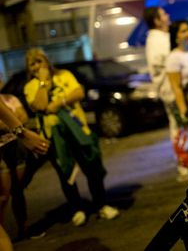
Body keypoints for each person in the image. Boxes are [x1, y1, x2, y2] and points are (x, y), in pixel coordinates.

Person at [23, 48, 119, 227]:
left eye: (39, 61)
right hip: (54, 137)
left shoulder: (64, 75)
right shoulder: (30, 87)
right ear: (29, 69)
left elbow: (78, 92)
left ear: (47, 61)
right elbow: (40, 105)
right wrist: (44, 82)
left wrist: (59, 102)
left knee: (92, 168)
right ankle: (77, 209)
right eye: (32, 64)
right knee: (66, 173)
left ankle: (101, 205)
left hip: (78, 131)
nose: (37, 66)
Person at [143, 6, 188, 181]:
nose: (167, 16)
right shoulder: (156, 39)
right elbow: (161, 60)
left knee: (180, 126)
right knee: (180, 127)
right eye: (163, 14)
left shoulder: (160, 37)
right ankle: (184, 164)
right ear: (156, 20)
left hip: (173, 89)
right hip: (170, 91)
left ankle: (186, 161)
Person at [0, 93, 49, 251]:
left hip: (12, 146)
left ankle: (23, 226)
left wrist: (22, 133)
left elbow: (20, 116)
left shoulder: (10, 98)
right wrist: (23, 133)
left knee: (14, 191)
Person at [166, 20, 188, 181]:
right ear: (175, 36)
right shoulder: (173, 57)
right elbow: (176, 87)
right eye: (183, 31)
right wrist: (184, 112)